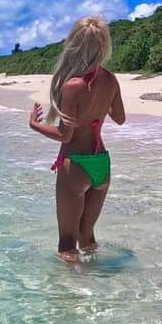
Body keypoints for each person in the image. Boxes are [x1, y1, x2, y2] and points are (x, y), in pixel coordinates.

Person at [28, 16, 126, 261]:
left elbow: (65, 135)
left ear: (73, 44)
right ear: (104, 46)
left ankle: (71, 297)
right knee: (87, 235)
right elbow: (120, 118)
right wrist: (99, 107)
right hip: (101, 163)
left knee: (67, 242)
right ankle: (96, 287)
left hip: (77, 164)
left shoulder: (72, 86)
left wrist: (35, 125)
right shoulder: (111, 79)